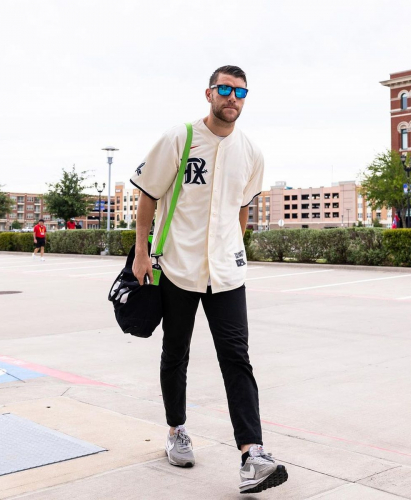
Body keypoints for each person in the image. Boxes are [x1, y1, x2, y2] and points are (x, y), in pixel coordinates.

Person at [130, 65, 288, 494]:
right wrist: (141, 253)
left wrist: (234, 248)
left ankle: (252, 454)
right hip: (177, 268)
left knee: (237, 357)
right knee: (175, 353)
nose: (231, 97)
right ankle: (176, 430)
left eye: (240, 91)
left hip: (226, 272)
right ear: (209, 93)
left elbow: (242, 209)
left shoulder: (251, 153)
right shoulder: (178, 139)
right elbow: (147, 194)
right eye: (224, 89)